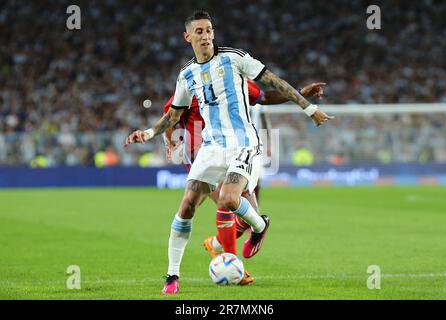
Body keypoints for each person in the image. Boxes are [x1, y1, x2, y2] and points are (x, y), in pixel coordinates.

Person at [124, 10, 334, 294]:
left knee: (228, 199)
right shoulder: (187, 75)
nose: (206, 36)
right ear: (188, 37)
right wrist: (147, 134)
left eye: (209, 30)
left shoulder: (234, 59)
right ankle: (172, 276)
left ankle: (256, 228)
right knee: (187, 205)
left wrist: (308, 107)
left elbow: (272, 83)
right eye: (199, 31)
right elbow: (173, 115)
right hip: (210, 148)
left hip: (243, 143)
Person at [162, 80, 326, 286]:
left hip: (237, 152)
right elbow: (170, 116)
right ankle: (232, 265)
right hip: (203, 157)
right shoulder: (193, 83)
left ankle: (217, 244)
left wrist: (301, 93)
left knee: (249, 215)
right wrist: (170, 141)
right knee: (223, 201)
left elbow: (267, 98)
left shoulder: (235, 79)